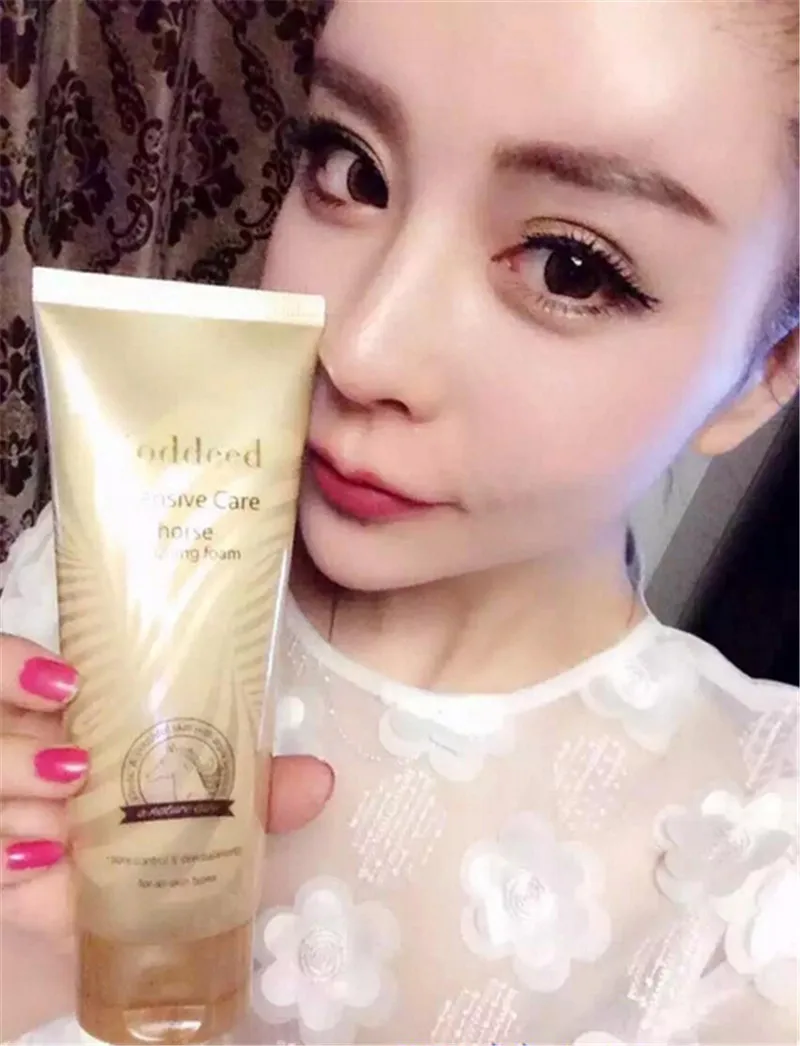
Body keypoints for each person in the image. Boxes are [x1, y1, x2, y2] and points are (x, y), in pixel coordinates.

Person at [1, 1, 798, 1043]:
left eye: (568, 267)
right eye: (352, 168)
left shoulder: (759, 885)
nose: (358, 348)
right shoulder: (116, 571)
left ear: (766, 368)